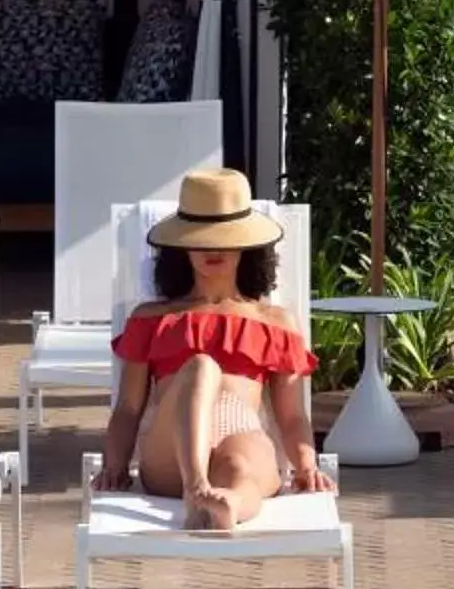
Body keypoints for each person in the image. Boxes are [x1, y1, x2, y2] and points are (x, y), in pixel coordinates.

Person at [97, 168, 330, 530]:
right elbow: (128, 408)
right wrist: (114, 465)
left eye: (224, 237)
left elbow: (292, 416)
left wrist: (306, 466)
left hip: (241, 434)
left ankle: (230, 506)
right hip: (170, 453)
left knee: (241, 469)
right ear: (183, 246)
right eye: (201, 239)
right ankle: (196, 489)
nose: (213, 248)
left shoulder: (274, 321)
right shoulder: (153, 318)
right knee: (203, 367)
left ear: (245, 244)